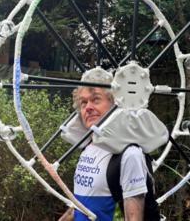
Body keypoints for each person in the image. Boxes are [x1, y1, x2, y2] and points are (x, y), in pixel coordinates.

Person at [59, 84, 150, 221]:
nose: (88, 107)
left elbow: (134, 216)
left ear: (116, 106)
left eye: (96, 99)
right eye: (83, 103)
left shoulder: (129, 154)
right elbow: (81, 205)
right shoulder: (87, 148)